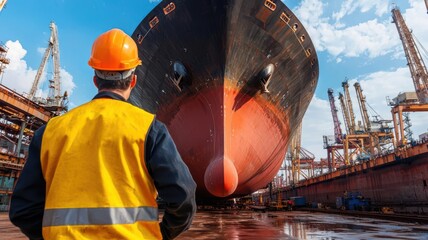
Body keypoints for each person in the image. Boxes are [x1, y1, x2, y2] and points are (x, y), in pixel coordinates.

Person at [9, 28, 197, 240]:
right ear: (133, 80)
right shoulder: (149, 128)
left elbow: (22, 210)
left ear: (95, 80)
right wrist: (162, 233)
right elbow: (183, 196)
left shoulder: (50, 131)